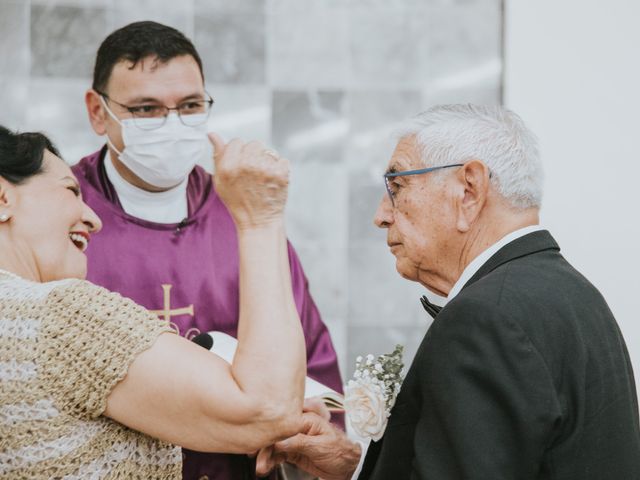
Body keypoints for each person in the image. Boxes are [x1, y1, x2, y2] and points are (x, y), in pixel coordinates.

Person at [256, 104, 640, 479]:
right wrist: (355, 466)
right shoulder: (573, 293)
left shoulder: (486, 320)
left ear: (469, 190)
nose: (381, 215)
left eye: (397, 185)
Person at [72, 21, 343, 479]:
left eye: (190, 106)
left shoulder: (246, 211)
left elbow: (309, 350)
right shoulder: (65, 215)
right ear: (98, 112)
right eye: (146, 109)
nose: (172, 125)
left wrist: (317, 429)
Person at [0, 126, 307, 478]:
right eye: (71, 190)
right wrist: (260, 218)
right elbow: (268, 409)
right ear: (3, 198)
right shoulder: (59, 315)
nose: (94, 219)